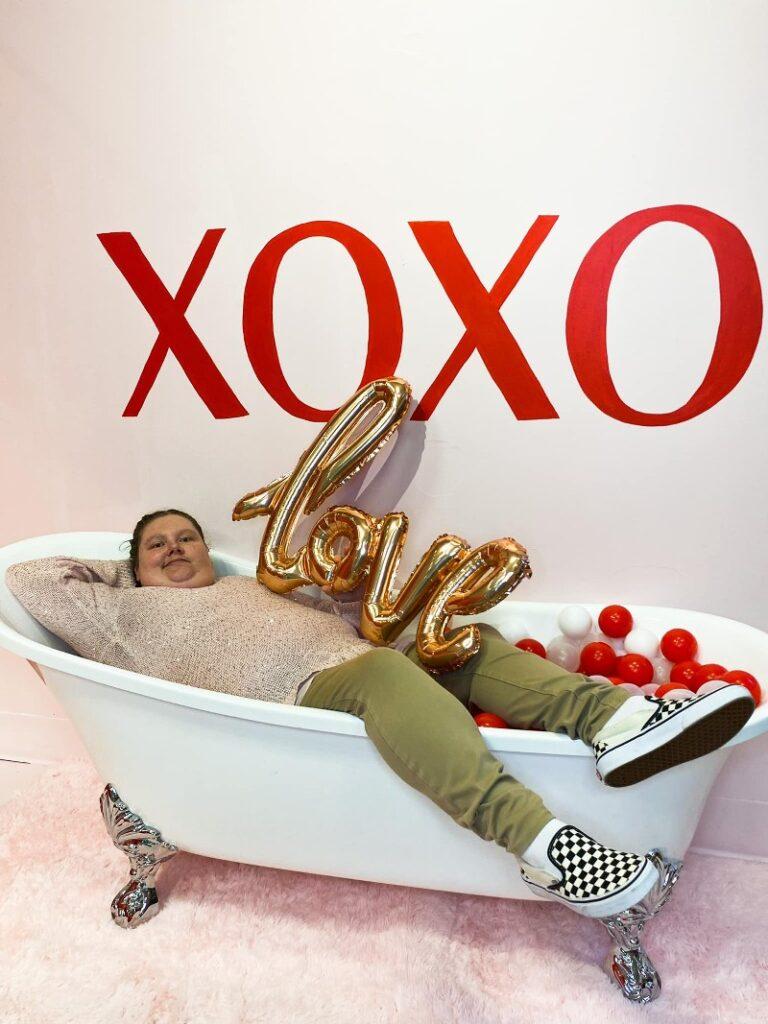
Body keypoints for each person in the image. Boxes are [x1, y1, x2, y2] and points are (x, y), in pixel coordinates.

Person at [5, 509, 755, 921]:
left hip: (354, 660)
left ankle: (621, 725)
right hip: (294, 697)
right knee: (387, 673)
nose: (174, 551)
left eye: (186, 539)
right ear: (132, 565)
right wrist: (123, 571)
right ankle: (549, 850)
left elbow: (353, 614)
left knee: (461, 644)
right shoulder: (120, 618)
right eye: (155, 546)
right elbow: (28, 577)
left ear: (210, 549)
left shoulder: (258, 587)